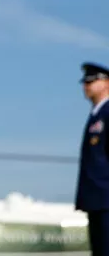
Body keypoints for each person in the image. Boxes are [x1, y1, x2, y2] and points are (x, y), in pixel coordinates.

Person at [77, 61, 109, 256]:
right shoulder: (95, 116)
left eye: (91, 81)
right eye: (85, 82)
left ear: (107, 83)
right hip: (96, 199)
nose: (86, 86)